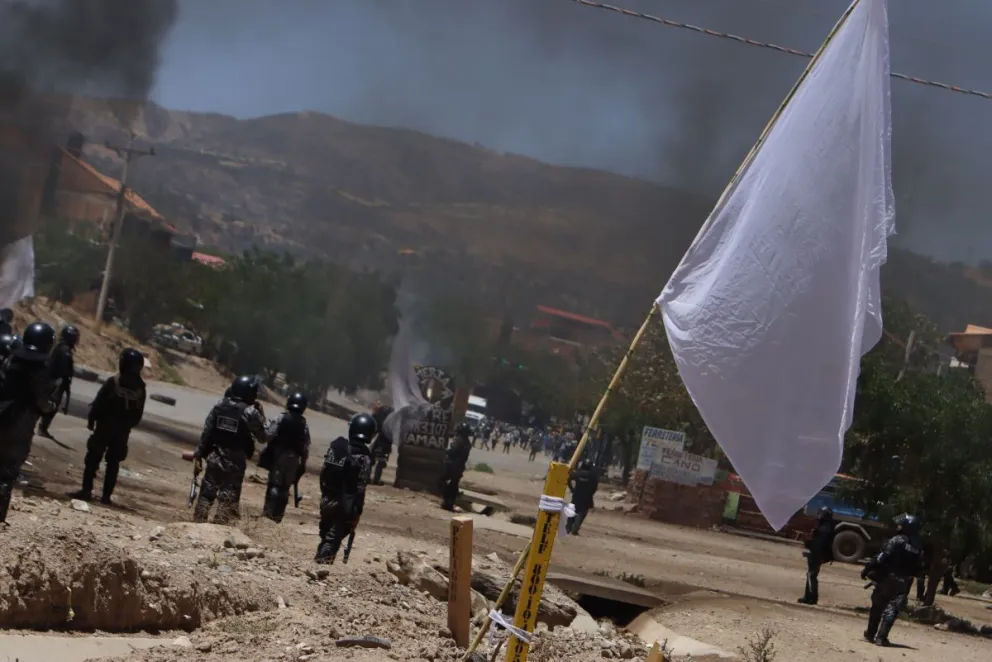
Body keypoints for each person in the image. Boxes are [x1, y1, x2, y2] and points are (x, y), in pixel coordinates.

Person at [70, 348, 147, 505]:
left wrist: (92, 420)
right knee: (113, 463)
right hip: (122, 431)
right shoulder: (140, 388)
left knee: (93, 458)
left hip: (105, 427)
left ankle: (86, 490)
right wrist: (126, 426)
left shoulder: (114, 381)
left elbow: (98, 402)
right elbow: (138, 415)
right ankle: (106, 496)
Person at [0, 322, 57, 525]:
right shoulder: (41, 369)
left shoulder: (10, 358)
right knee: (7, 473)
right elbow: (43, 402)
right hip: (20, 425)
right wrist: (50, 407)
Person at [192, 376, 267, 524]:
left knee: (206, 494)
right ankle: (220, 528)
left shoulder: (219, 406)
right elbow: (263, 437)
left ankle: (198, 523)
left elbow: (207, 433)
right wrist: (261, 414)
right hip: (235, 460)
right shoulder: (250, 412)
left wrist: (199, 454)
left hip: (215, 456)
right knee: (228, 496)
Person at [315, 413, 375, 564]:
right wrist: (357, 510)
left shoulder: (338, 448)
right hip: (343, 503)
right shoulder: (364, 457)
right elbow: (360, 487)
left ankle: (319, 563)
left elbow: (323, 473)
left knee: (326, 533)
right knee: (333, 537)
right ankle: (321, 566)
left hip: (327, 497)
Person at [861, 513, 925, 647]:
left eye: (901, 524)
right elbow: (919, 568)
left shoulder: (897, 540)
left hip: (887, 577)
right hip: (903, 581)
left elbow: (882, 557)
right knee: (892, 609)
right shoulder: (918, 546)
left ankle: (871, 634)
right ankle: (881, 638)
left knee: (877, 606)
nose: (898, 526)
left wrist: (867, 568)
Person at [260, 392, 310, 523]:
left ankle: (268, 515)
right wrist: (302, 465)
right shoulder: (304, 424)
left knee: (275, 485)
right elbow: (306, 447)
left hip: (279, 456)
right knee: (285, 488)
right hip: (294, 460)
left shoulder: (281, 418)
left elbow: (268, 435)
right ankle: (277, 517)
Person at [37, 324, 78, 438]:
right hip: (55, 382)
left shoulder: (60, 347)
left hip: (52, 380)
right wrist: (64, 382)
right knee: (52, 406)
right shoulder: (64, 350)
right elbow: (65, 369)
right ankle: (42, 428)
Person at [797, 506, 837, 605]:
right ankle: (808, 597)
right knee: (811, 575)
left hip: (817, 555)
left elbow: (817, 545)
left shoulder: (824, 530)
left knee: (811, 575)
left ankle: (811, 598)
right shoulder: (826, 528)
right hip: (818, 555)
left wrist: (808, 543)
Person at [440, 422, 473, 511]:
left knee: (443, 481)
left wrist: (443, 451)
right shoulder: (468, 443)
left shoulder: (459, 440)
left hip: (452, 465)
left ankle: (446, 502)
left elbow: (452, 451)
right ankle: (450, 503)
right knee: (453, 485)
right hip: (460, 467)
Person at [567, 460, 599, 535]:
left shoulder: (577, 473)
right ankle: (575, 529)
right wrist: (591, 493)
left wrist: (572, 489)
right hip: (587, 497)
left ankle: (569, 527)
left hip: (576, 495)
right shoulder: (593, 476)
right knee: (582, 513)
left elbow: (568, 479)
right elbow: (595, 487)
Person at [369, 402, 394, 486]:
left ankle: (370, 478)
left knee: (376, 460)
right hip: (383, 440)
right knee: (378, 460)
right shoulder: (390, 415)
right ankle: (374, 479)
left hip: (380, 440)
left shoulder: (379, 415)